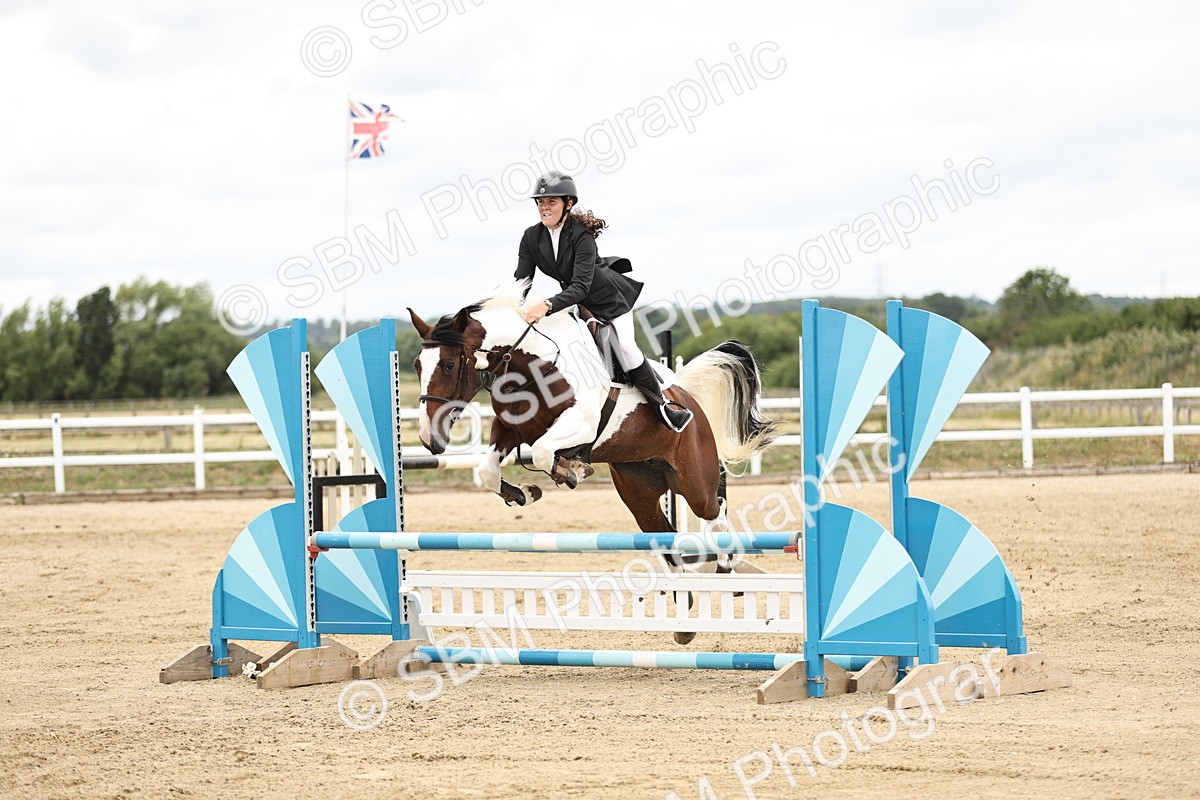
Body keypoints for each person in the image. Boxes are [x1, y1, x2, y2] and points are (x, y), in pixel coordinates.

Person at [515, 171, 693, 432]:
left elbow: (580, 286)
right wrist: (513, 308)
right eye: (540, 202)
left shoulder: (581, 236)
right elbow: (522, 281)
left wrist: (547, 305)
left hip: (608, 301)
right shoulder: (531, 237)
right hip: (579, 305)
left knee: (627, 347)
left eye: (551, 202)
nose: (544, 208)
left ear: (568, 204)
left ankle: (663, 407)